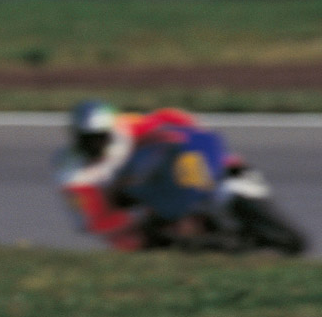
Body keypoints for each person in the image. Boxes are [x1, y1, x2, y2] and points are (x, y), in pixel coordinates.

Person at [53, 100, 207, 250]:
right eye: (88, 138)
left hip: (155, 180)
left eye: (101, 136)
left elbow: (167, 118)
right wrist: (142, 213)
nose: (95, 143)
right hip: (127, 211)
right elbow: (95, 222)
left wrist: (190, 134)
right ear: (76, 136)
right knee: (129, 242)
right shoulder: (69, 172)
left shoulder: (124, 127)